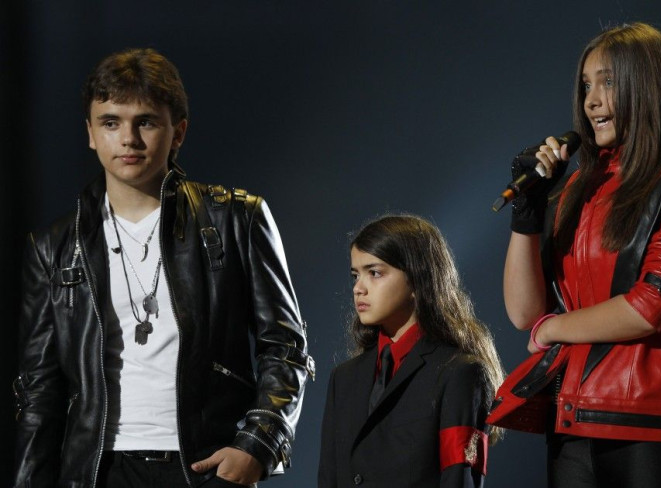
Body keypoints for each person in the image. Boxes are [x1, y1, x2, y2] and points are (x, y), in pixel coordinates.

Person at [12, 48, 314, 488]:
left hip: (204, 466)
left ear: (178, 133)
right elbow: (39, 391)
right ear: (91, 134)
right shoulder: (53, 246)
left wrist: (257, 445)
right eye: (111, 122)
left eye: (146, 122)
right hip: (97, 471)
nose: (129, 139)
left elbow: (286, 346)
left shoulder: (237, 219)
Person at [486, 23, 661, 488]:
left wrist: (553, 329)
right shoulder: (580, 186)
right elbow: (523, 312)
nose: (590, 101)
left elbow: (648, 307)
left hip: (652, 425)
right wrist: (528, 211)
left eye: (608, 82)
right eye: (585, 86)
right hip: (572, 420)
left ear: (650, 85)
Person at [318, 215, 505, 488]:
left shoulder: (460, 372)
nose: (358, 288)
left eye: (375, 273)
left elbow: (459, 479)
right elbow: (329, 478)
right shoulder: (343, 378)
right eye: (355, 275)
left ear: (418, 278)